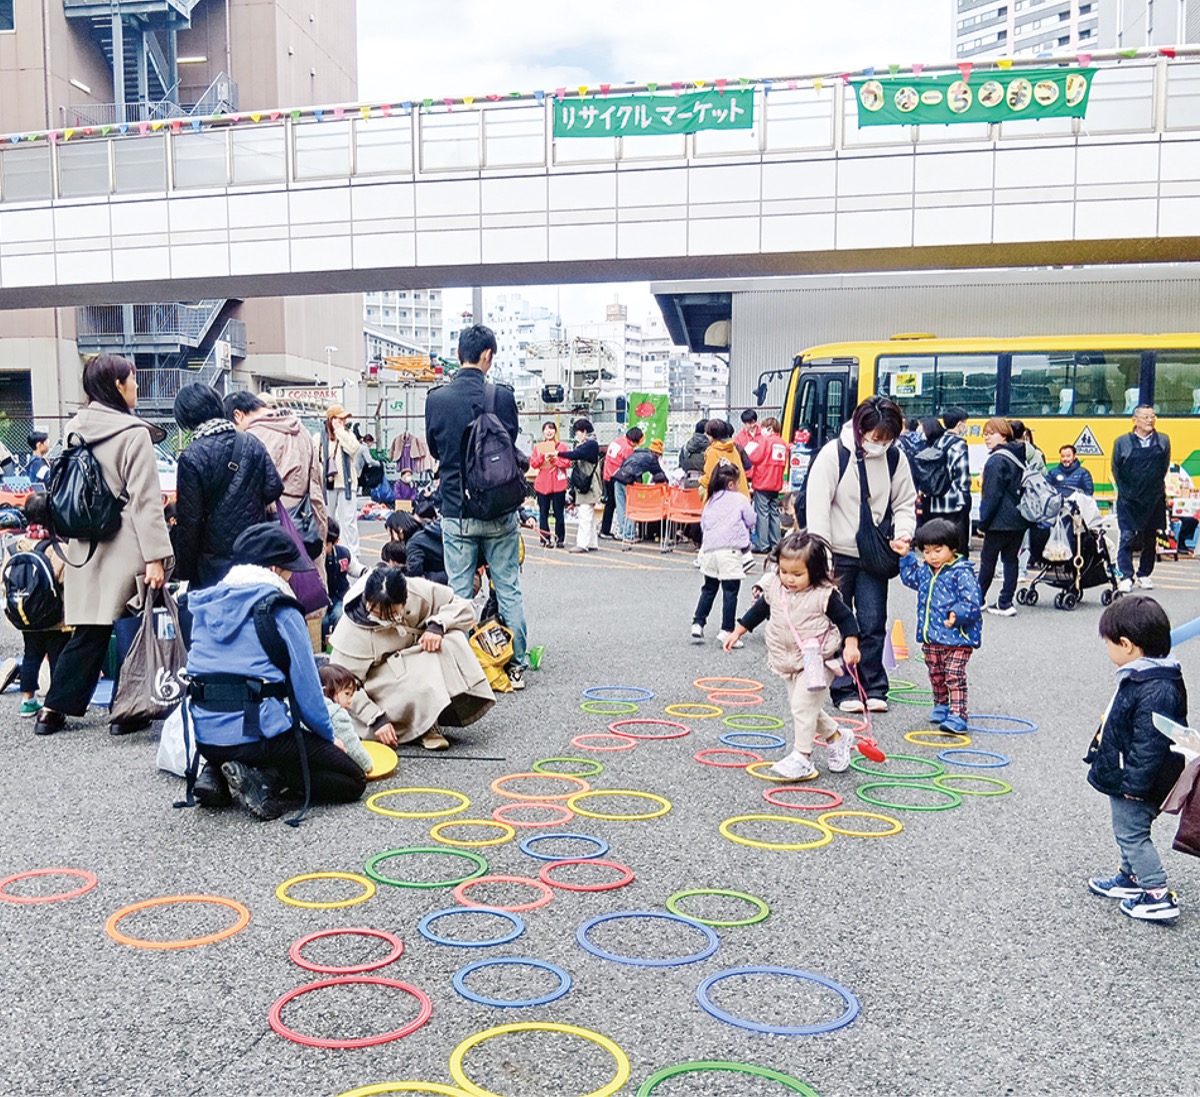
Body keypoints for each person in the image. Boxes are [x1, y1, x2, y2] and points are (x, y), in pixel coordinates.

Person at [185, 523, 366, 819]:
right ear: (273, 568)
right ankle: (265, 778)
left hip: (206, 738)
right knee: (352, 779)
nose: (292, 576)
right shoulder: (280, 608)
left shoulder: (205, 603)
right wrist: (328, 737)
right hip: (257, 739)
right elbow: (308, 694)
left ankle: (217, 769)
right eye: (288, 569)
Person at [34, 355, 174, 738]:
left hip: (84, 542)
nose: (137, 387)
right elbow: (145, 501)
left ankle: (53, 709)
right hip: (126, 540)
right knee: (133, 624)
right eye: (133, 379)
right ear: (117, 386)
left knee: (91, 630)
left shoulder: (75, 430)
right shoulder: (133, 433)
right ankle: (128, 711)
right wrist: (156, 558)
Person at [424, 324, 528, 688]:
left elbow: (436, 450)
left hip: (456, 508)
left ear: (458, 355)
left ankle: (465, 667)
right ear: (487, 356)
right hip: (499, 507)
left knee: (459, 591)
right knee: (508, 586)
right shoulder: (501, 395)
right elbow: (510, 442)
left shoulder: (436, 398)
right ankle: (515, 665)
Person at [804, 395, 917, 713]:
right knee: (841, 623)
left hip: (873, 554)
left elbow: (905, 502)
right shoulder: (833, 455)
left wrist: (904, 533)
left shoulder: (895, 458)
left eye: (887, 438)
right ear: (859, 428)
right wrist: (821, 558)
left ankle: (873, 687)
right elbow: (818, 509)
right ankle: (843, 689)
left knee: (872, 621)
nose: (880, 444)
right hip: (836, 554)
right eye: (875, 437)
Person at [723, 531, 861, 779]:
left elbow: (846, 618)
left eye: (797, 574)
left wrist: (851, 645)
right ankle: (837, 737)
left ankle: (803, 757)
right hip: (787, 660)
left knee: (801, 706)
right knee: (807, 709)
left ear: (815, 571)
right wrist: (738, 631)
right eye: (784, 572)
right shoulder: (776, 588)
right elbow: (760, 609)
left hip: (816, 658)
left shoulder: (823, 595)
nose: (789, 579)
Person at [1085, 595, 1187, 923]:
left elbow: (1150, 745)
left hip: (1142, 780)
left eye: (1109, 643)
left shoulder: (1156, 687)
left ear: (1127, 645)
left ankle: (1157, 893)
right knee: (1128, 829)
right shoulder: (1146, 676)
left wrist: (1133, 786)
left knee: (1132, 833)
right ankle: (1130, 879)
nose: (1107, 650)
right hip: (1131, 773)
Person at [329, 565, 495, 751]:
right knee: (420, 663)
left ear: (405, 600)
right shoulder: (350, 630)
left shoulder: (417, 590)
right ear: (367, 602)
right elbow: (340, 684)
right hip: (377, 690)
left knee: (451, 639)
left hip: (411, 662)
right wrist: (375, 718)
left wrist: (438, 626)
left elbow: (464, 607)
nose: (386, 618)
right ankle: (420, 727)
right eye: (378, 613)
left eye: (392, 612)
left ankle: (439, 713)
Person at [173, 384, 283, 590]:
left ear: (187, 419)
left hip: (213, 562)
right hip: (254, 552)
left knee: (218, 617)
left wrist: (184, 570)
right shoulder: (251, 442)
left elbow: (190, 520)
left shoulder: (191, 456)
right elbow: (274, 488)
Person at [898, 518, 982, 735]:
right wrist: (906, 556)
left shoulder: (961, 572)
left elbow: (973, 602)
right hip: (931, 636)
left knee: (954, 673)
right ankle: (942, 705)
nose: (931, 556)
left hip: (958, 637)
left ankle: (958, 714)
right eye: (926, 551)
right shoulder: (926, 571)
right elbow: (909, 578)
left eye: (937, 550)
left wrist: (957, 614)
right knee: (936, 673)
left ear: (953, 548)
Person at [226, 390, 328, 555]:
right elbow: (316, 486)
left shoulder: (250, 438)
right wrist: (321, 530)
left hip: (270, 530)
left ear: (238, 415)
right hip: (304, 523)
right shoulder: (301, 430)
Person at [6, 494, 69, 719]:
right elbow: (65, 578)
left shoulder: (17, 546)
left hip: (26, 614)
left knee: (31, 655)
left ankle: (28, 701)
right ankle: (55, 701)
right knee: (57, 656)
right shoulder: (57, 547)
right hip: (54, 617)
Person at [690, 461, 755, 646]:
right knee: (730, 590)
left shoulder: (711, 500)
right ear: (731, 484)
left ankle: (698, 622)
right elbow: (751, 520)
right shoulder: (741, 499)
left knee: (709, 588)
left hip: (709, 550)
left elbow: (703, 524)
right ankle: (726, 630)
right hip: (730, 550)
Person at [1112, 406, 1171, 593]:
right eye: (1145, 417)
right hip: (1129, 499)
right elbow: (1116, 469)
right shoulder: (1122, 442)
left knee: (1150, 538)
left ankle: (1144, 574)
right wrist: (1127, 492)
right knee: (1127, 537)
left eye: (1153, 416)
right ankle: (1126, 575)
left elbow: (1164, 467)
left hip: (1153, 497)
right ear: (1134, 420)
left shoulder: (1163, 440)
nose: (1150, 420)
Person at [977, 417, 1027, 618]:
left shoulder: (996, 460)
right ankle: (1005, 601)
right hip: (1018, 518)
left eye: (991, 433)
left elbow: (992, 494)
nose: (987, 438)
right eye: (985, 434)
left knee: (988, 560)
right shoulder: (1018, 455)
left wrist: (983, 522)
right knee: (1011, 560)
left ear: (1004, 434)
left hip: (998, 520)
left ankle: (978, 598)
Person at [923, 407, 973, 559]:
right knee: (956, 544)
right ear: (959, 424)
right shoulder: (959, 444)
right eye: (965, 423)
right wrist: (965, 498)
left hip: (936, 501)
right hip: (954, 502)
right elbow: (962, 476)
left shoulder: (938, 442)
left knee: (939, 541)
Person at [317, 664, 374, 775]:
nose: (350, 700)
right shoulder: (336, 713)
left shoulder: (308, 707)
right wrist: (367, 765)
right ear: (326, 691)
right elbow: (352, 745)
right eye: (347, 694)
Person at [324, 405, 362, 566]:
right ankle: (327, 550)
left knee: (348, 520)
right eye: (339, 418)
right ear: (331, 420)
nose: (343, 421)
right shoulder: (321, 437)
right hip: (328, 483)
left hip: (347, 484)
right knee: (328, 518)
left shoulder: (348, 435)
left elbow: (354, 449)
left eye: (344, 419)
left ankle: (352, 554)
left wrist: (340, 432)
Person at [613, 438, 669, 548]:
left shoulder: (637, 453)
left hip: (618, 478)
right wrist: (666, 482)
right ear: (657, 453)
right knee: (631, 507)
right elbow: (659, 475)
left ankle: (623, 533)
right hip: (629, 481)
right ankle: (629, 535)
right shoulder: (652, 458)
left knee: (621, 507)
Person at [561, 418, 601, 554]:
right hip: (588, 484)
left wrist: (558, 454)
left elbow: (575, 455)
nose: (577, 435)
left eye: (577, 432)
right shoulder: (590, 444)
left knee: (585, 514)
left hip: (588, 485)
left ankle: (582, 544)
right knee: (589, 515)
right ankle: (592, 542)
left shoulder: (590, 445)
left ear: (584, 431)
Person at [749, 417, 787, 553]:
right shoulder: (782, 443)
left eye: (763, 428)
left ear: (770, 428)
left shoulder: (766, 442)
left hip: (763, 481)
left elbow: (754, 457)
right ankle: (776, 544)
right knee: (774, 514)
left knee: (762, 514)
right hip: (776, 483)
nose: (761, 430)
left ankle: (762, 544)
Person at [530, 421, 570, 548]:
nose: (549, 431)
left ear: (555, 431)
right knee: (543, 513)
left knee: (559, 513)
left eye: (551, 429)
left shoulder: (561, 447)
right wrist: (542, 457)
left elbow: (567, 462)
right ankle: (544, 538)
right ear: (543, 432)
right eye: (546, 429)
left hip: (558, 484)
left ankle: (560, 538)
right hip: (543, 484)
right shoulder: (538, 447)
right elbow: (533, 463)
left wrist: (555, 461)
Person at [601, 427, 642, 541]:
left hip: (607, 474)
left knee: (611, 504)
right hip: (618, 477)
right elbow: (630, 466)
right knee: (621, 505)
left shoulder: (617, 441)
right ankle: (622, 532)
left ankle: (606, 529)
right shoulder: (627, 448)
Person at [699, 419, 750, 500]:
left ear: (711, 436)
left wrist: (701, 480)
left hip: (723, 497)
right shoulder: (733, 448)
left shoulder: (713, 451)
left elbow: (710, 477)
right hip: (741, 495)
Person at [323, 519, 353, 643]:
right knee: (322, 621)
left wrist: (366, 572)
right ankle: (322, 645)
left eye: (326, 544)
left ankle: (339, 644)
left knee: (339, 615)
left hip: (339, 596)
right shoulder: (313, 556)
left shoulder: (343, 553)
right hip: (320, 599)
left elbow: (354, 568)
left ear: (334, 542)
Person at [678, 418, 711, 487]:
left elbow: (681, 464)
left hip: (688, 482)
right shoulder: (711, 447)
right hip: (705, 484)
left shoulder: (685, 446)